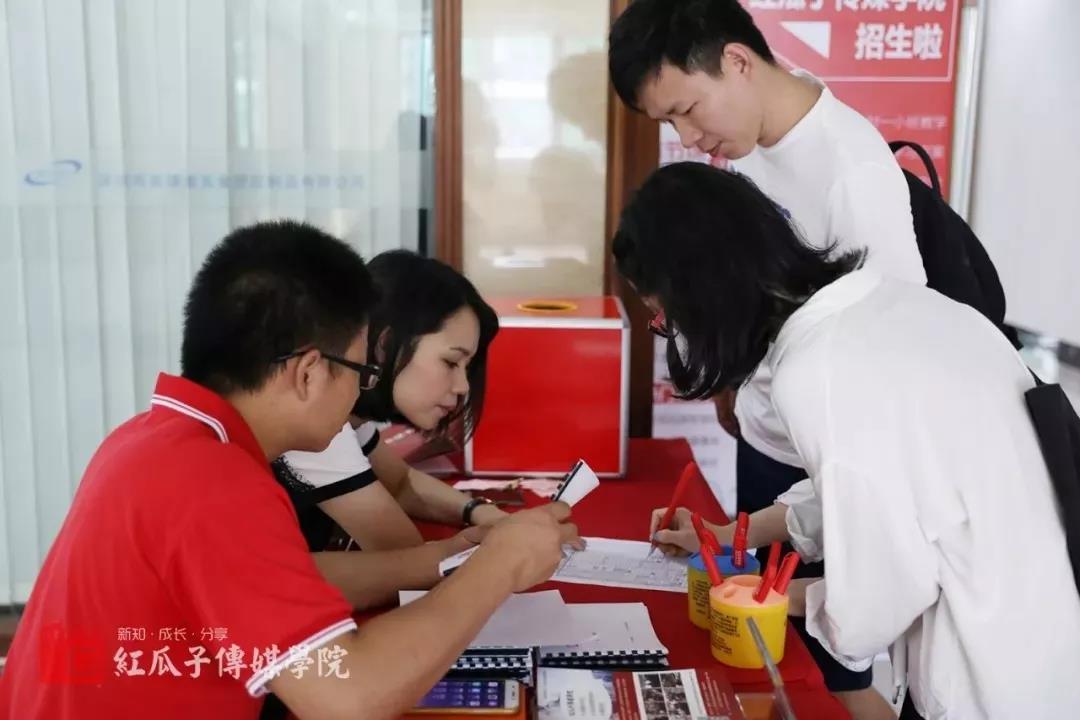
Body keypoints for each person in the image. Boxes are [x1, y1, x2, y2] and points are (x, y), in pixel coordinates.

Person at [0, 220, 579, 720]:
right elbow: (349, 695)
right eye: (359, 371)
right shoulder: (214, 485)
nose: (360, 390)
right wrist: (500, 565)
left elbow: (297, 581)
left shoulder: (157, 440)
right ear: (308, 373)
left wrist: (461, 553)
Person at [616, 161, 1080, 720]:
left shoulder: (819, 369)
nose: (672, 333)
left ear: (702, 292)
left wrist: (766, 593)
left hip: (993, 670)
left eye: (663, 316)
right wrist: (731, 534)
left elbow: (876, 599)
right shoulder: (893, 305)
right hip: (1046, 629)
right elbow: (874, 483)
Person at [609, 2, 926, 714]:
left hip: (829, 452)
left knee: (827, 674)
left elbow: (890, 369)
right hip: (779, 448)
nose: (689, 139)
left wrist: (799, 590)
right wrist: (737, 390)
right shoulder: (750, 143)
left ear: (737, 61)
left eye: (686, 111)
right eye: (669, 123)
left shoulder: (848, 172)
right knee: (766, 654)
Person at [270, 250, 520, 612]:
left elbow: (401, 483)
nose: (463, 386)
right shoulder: (315, 421)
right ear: (385, 346)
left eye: (466, 368)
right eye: (451, 362)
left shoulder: (347, 410)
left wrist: (479, 512)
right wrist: (506, 547)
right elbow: (407, 555)